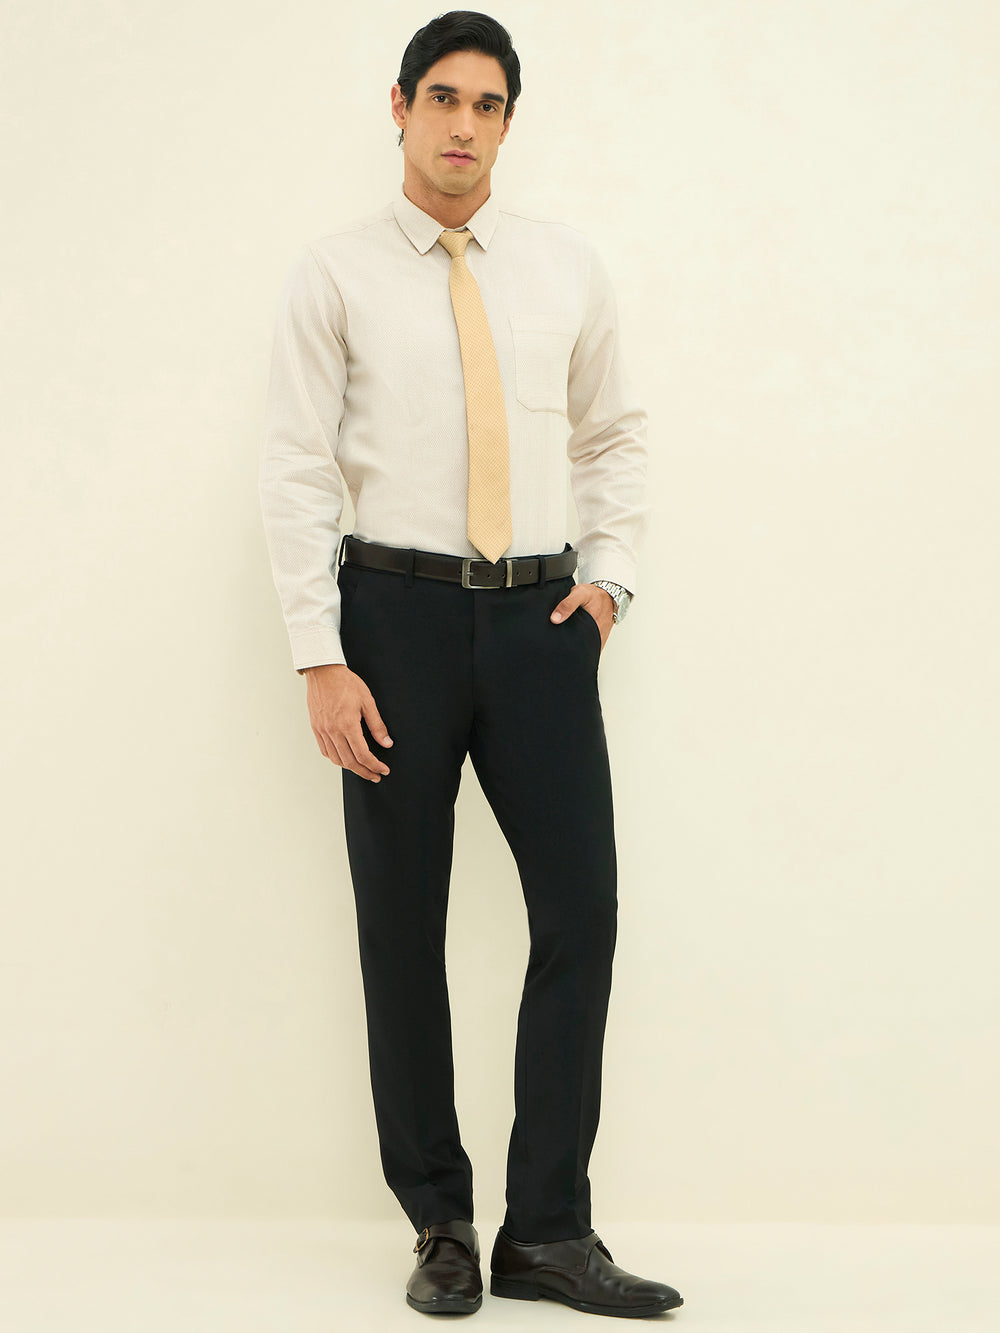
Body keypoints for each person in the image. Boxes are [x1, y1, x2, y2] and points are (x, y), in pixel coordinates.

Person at [259, 9, 683, 1320]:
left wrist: (609, 582)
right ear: (399, 108)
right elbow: (295, 468)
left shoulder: (564, 267)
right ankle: (440, 1219)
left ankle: (548, 1230)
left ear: (508, 122)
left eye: (487, 104)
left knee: (582, 910)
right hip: (391, 621)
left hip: (543, 621)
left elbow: (615, 434)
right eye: (441, 97)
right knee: (402, 923)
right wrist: (320, 657)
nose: (462, 124)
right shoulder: (334, 274)